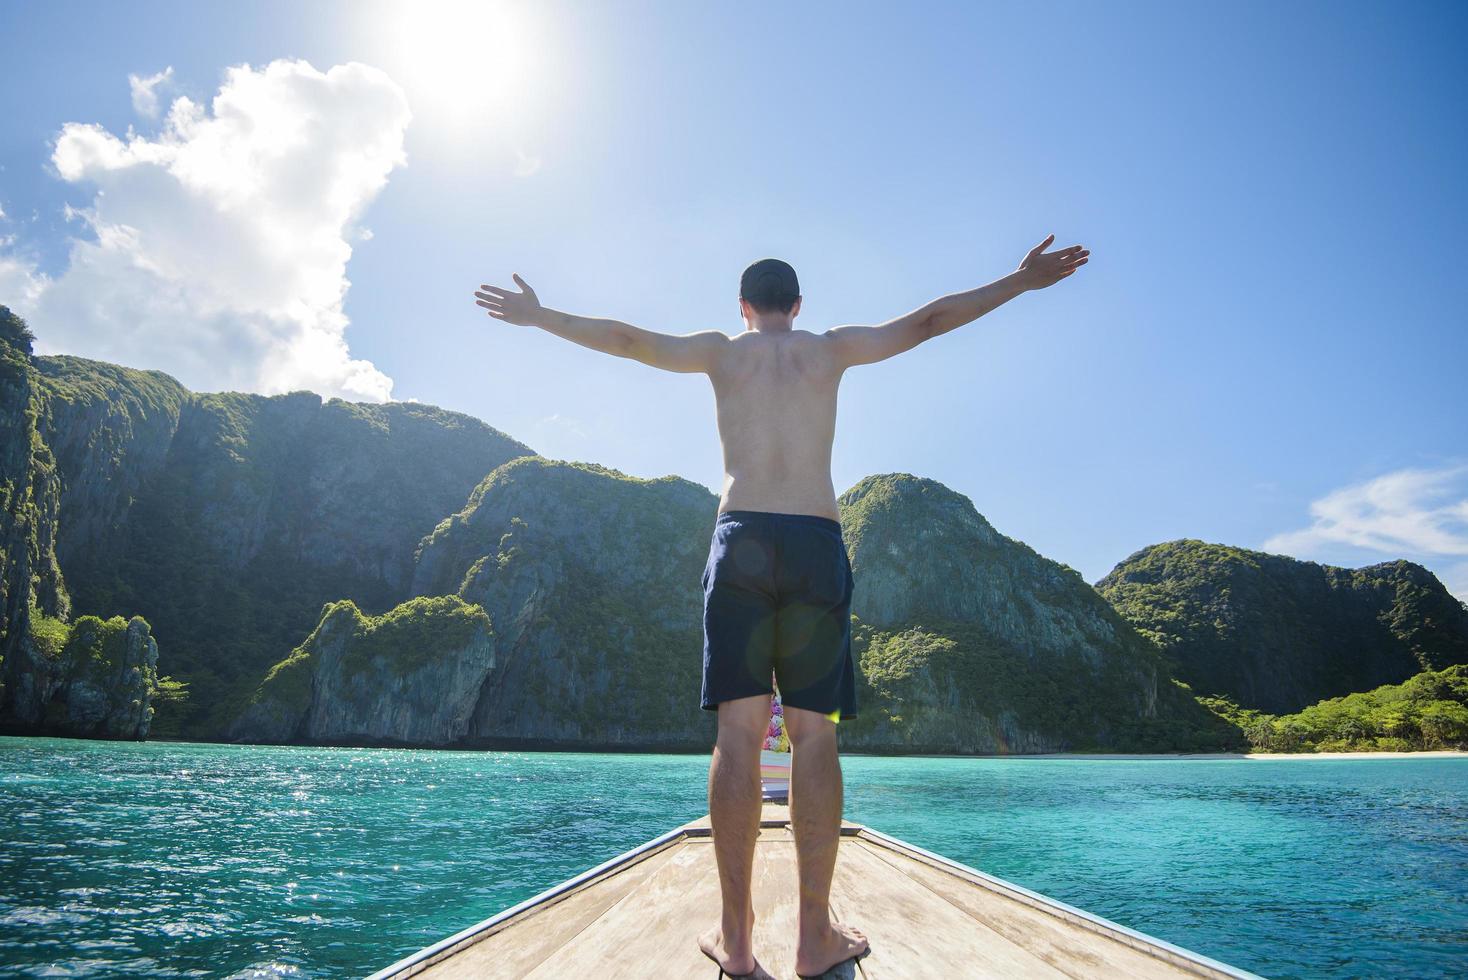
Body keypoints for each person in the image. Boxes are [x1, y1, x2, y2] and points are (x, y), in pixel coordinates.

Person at [473, 235, 1089, 978]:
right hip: (814, 540)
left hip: (739, 539)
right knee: (814, 739)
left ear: (742, 307)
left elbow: (628, 339)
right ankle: (812, 939)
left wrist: (542, 317)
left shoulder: (719, 352)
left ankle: (735, 944)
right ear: (798, 307)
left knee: (738, 737)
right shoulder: (829, 350)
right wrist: (1020, 282)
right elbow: (930, 321)